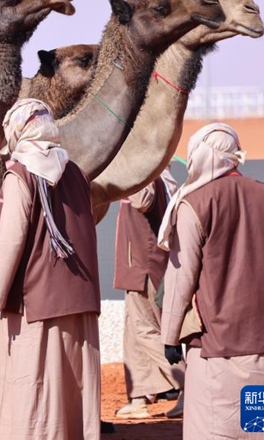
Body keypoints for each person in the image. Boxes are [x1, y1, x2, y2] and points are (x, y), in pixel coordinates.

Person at [159, 123, 264, 438]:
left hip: (215, 354)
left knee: (216, 429)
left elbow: (182, 277)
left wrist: (169, 336)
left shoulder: (193, 204)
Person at [0, 98, 101, 440]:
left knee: (33, 392)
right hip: (80, 301)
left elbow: (12, 240)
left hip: (36, 304)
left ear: (18, 131)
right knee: (70, 391)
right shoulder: (77, 173)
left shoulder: (19, 175)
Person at [113, 166, 185, 419]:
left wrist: (128, 169)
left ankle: (188, 384)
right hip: (142, 264)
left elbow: (143, 200)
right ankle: (138, 398)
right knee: (133, 330)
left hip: (143, 264)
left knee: (145, 330)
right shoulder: (164, 177)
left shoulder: (146, 174)